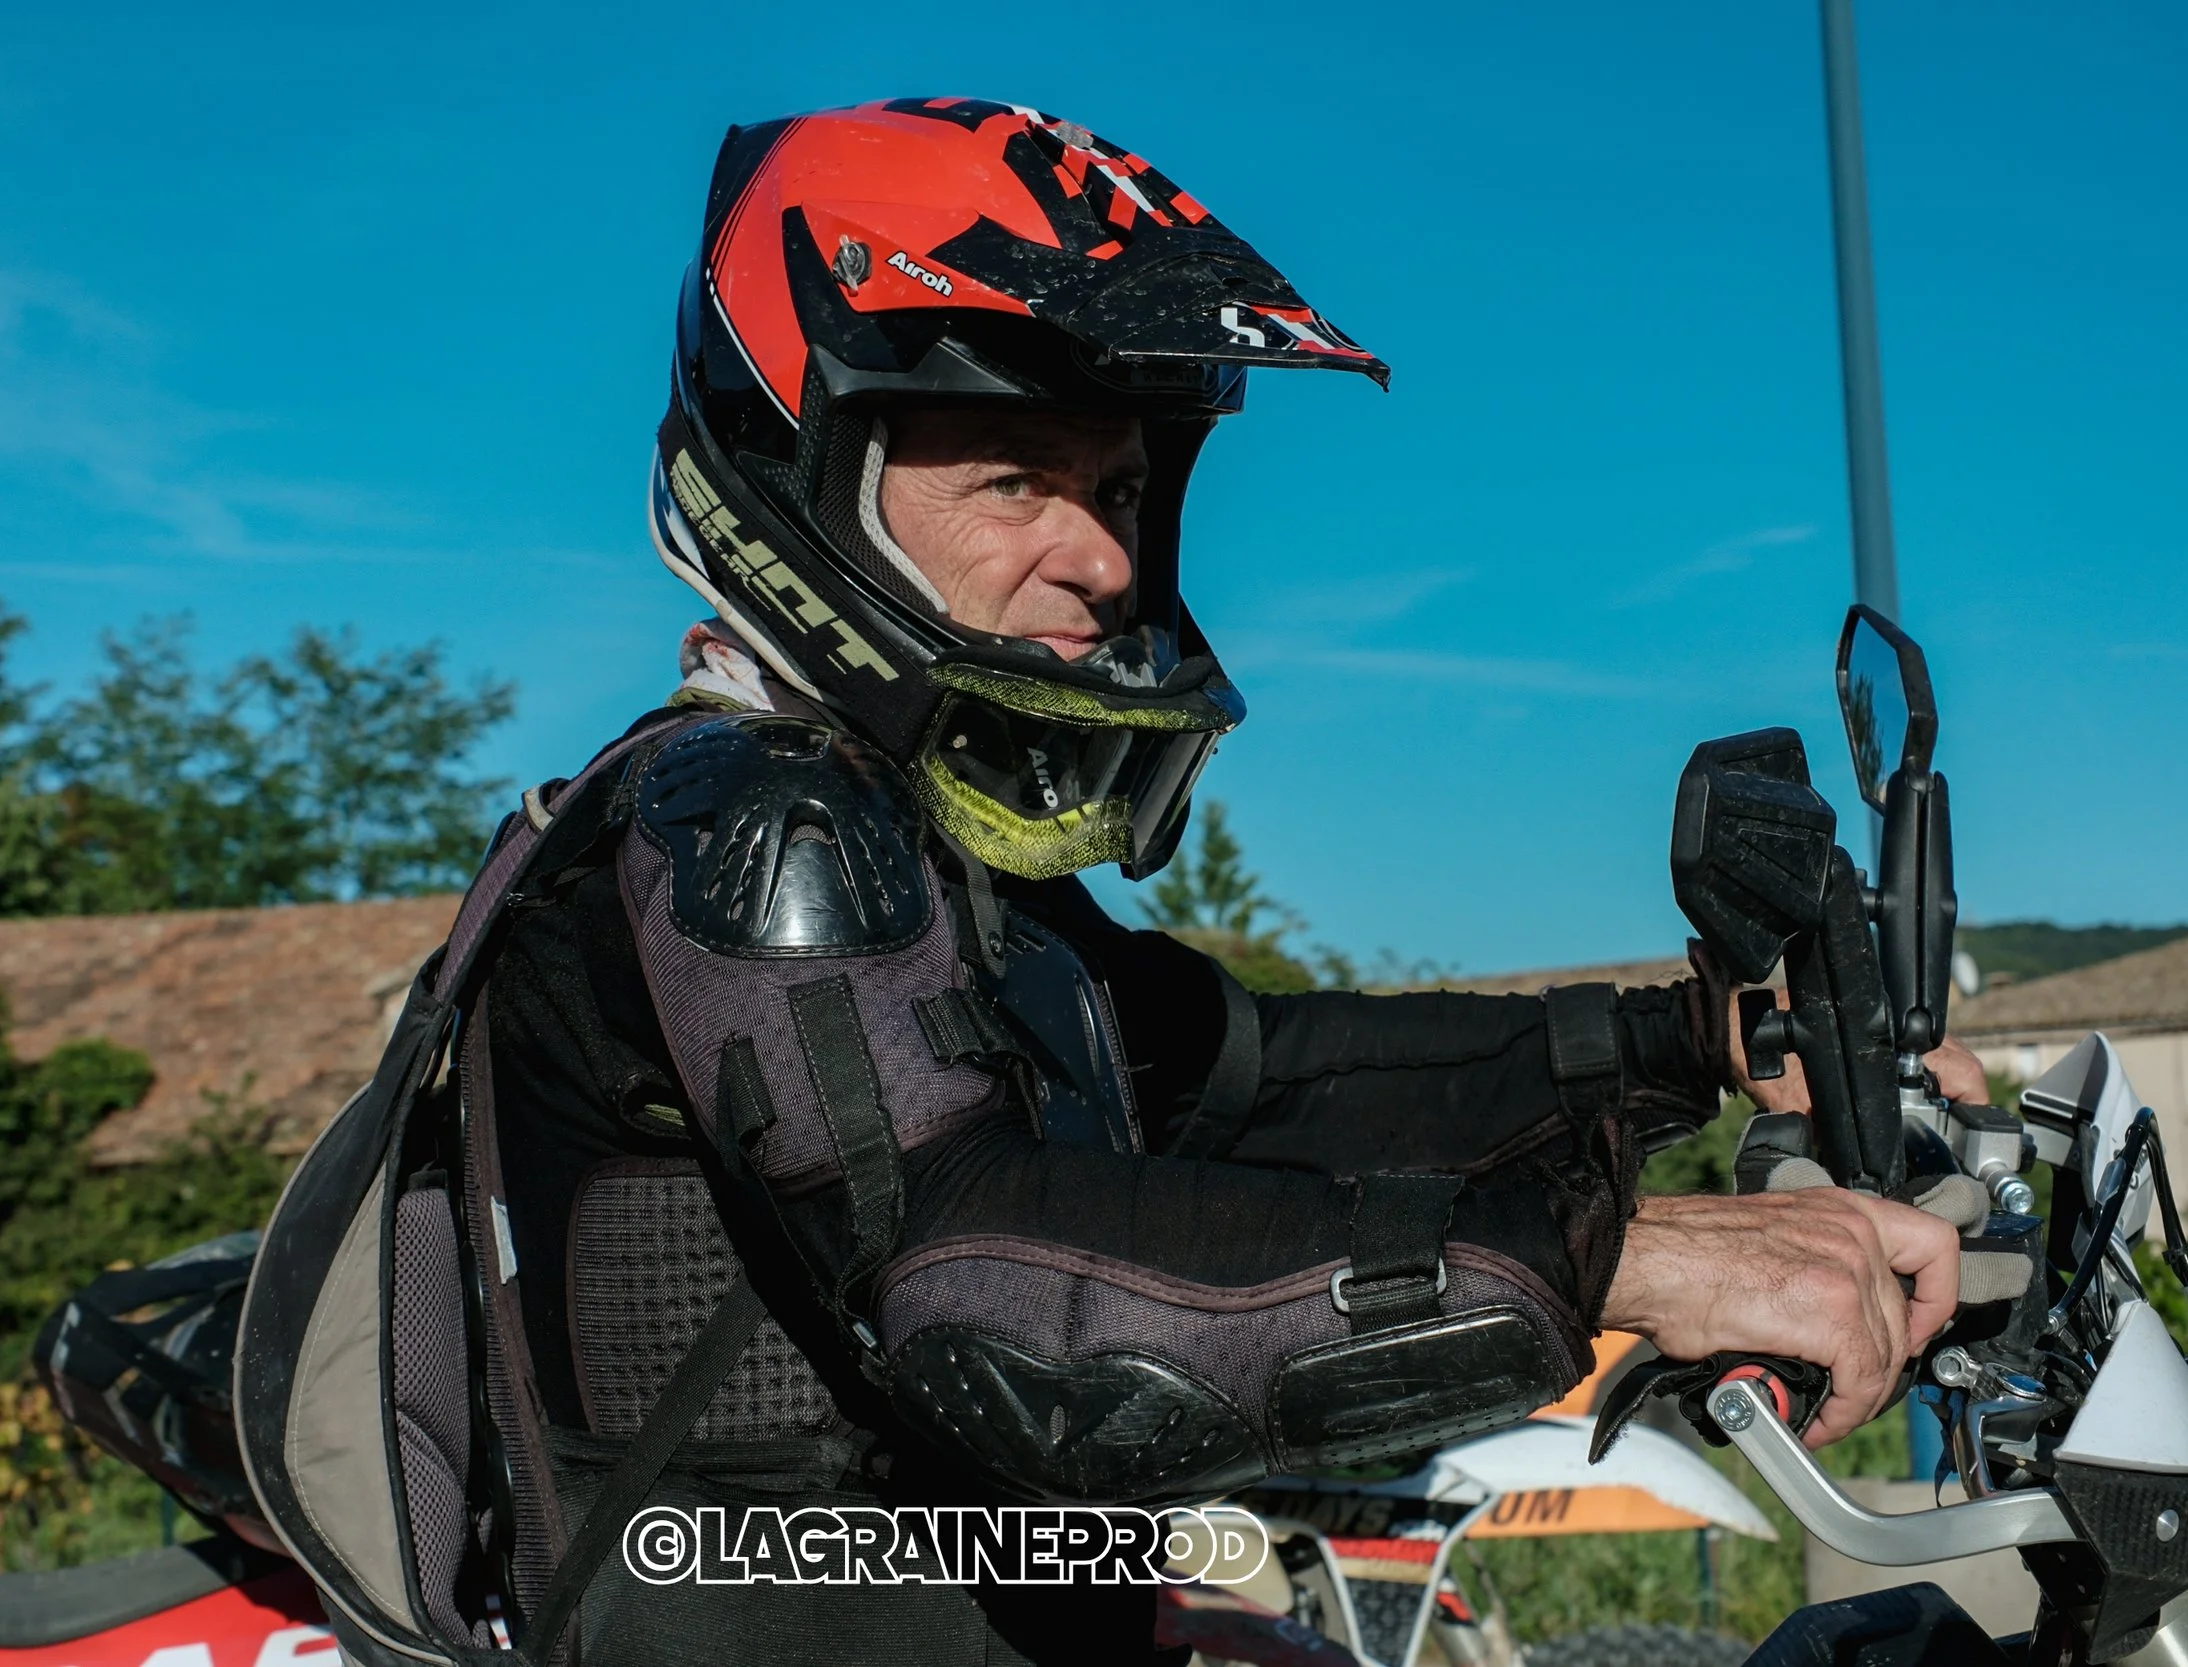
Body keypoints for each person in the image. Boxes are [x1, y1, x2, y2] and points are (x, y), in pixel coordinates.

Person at [483, 98, 1979, 1663]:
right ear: (802, 465)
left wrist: (1700, 1041)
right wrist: (1623, 1256)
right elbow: (987, 1291)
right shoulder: (755, 822)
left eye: (1120, 490)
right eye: (1014, 480)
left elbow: (1254, 1080)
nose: (1105, 560)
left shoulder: (938, 874)